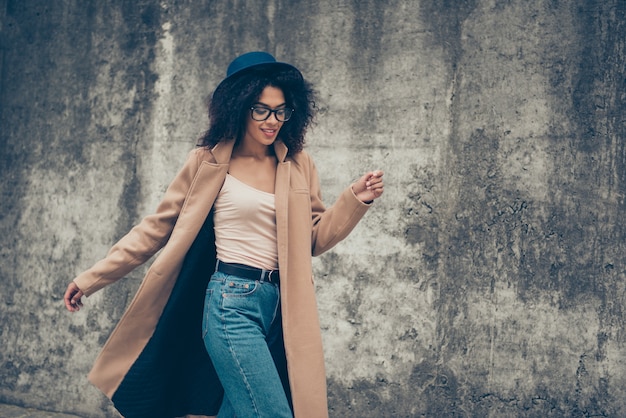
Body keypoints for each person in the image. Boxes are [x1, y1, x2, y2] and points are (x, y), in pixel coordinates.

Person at [64, 51, 384, 418]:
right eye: (261, 109)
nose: (272, 120)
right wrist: (91, 278)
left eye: (281, 111)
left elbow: (314, 239)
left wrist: (354, 199)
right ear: (239, 106)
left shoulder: (298, 164)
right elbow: (155, 228)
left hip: (280, 306)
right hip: (230, 302)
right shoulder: (206, 162)